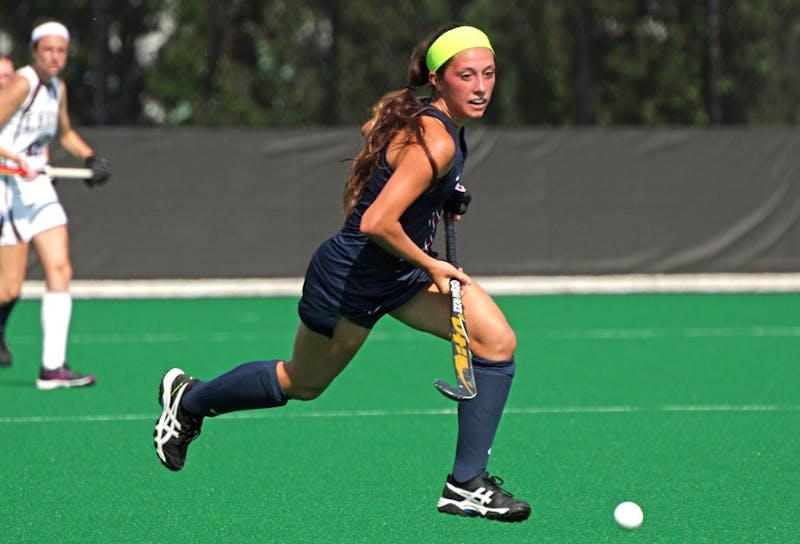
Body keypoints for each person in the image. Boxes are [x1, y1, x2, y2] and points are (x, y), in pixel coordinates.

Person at [153, 24, 531, 523]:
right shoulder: (435, 141)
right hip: (351, 278)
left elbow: (388, 163)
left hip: (398, 276)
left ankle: (465, 485)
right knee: (303, 383)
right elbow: (377, 221)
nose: (481, 86)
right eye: (467, 76)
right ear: (438, 81)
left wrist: (444, 195)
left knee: (497, 342)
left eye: (488, 74)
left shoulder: (438, 125)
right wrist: (434, 264)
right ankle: (191, 400)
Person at [0, 21, 112, 385]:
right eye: (47, 50)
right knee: (8, 289)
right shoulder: (22, 84)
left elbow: (64, 133)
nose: (54, 57)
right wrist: (14, 160)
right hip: (10, 189)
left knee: (60, 270)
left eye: (61, 50)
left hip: (40, 189)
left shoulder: (56, 89)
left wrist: (89, 157)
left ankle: (53, 368)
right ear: (34, 51)